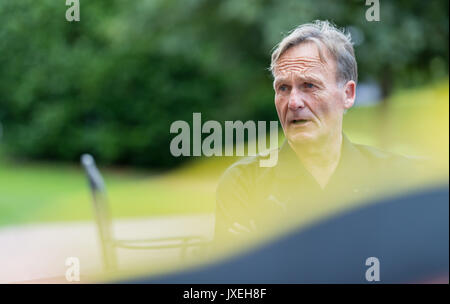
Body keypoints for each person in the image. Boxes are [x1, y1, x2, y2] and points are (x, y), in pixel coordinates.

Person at [214, 20, 417, 242]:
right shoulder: (243, 184)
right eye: (283, 88)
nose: (293, 102)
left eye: (309, 86)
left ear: (348, 94)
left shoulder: (398, 179)